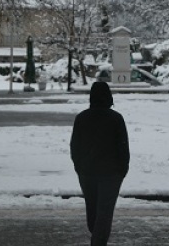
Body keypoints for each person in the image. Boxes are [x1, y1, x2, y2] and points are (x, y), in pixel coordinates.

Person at [70, 81, 130, 246]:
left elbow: (75, 146)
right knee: (105, 212)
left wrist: (79, 167)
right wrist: (122, 170)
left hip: (87, 172)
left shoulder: (81, 118)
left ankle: (97, 237)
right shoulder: (116, 118)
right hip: (111, 174)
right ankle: (98, 240)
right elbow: (123, 146)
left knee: (92, 209)